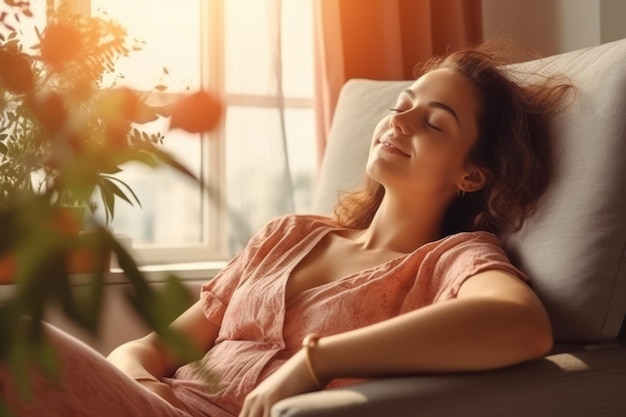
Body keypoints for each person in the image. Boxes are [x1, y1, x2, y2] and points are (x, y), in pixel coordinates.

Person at [0, 41, 573, 417]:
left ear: (472, 173)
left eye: (432, 123)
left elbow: (521, 326)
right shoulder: (288, 234)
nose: (398, 120)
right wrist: (137, 381)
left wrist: (313, 360)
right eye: (403, 103)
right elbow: (149, 349)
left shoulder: (450, 260)